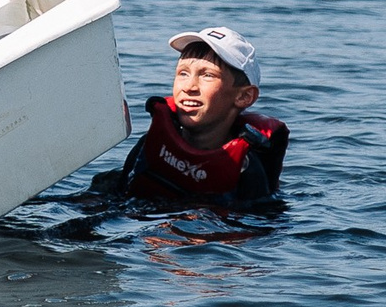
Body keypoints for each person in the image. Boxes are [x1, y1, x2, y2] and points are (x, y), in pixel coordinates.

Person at [99, 25, 287, 208]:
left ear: (244, 96)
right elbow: (118, 197)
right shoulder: (151, 145)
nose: (189, 87)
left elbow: (251, 230)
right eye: (183, 73)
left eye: (207, 75)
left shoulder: (245, 170)